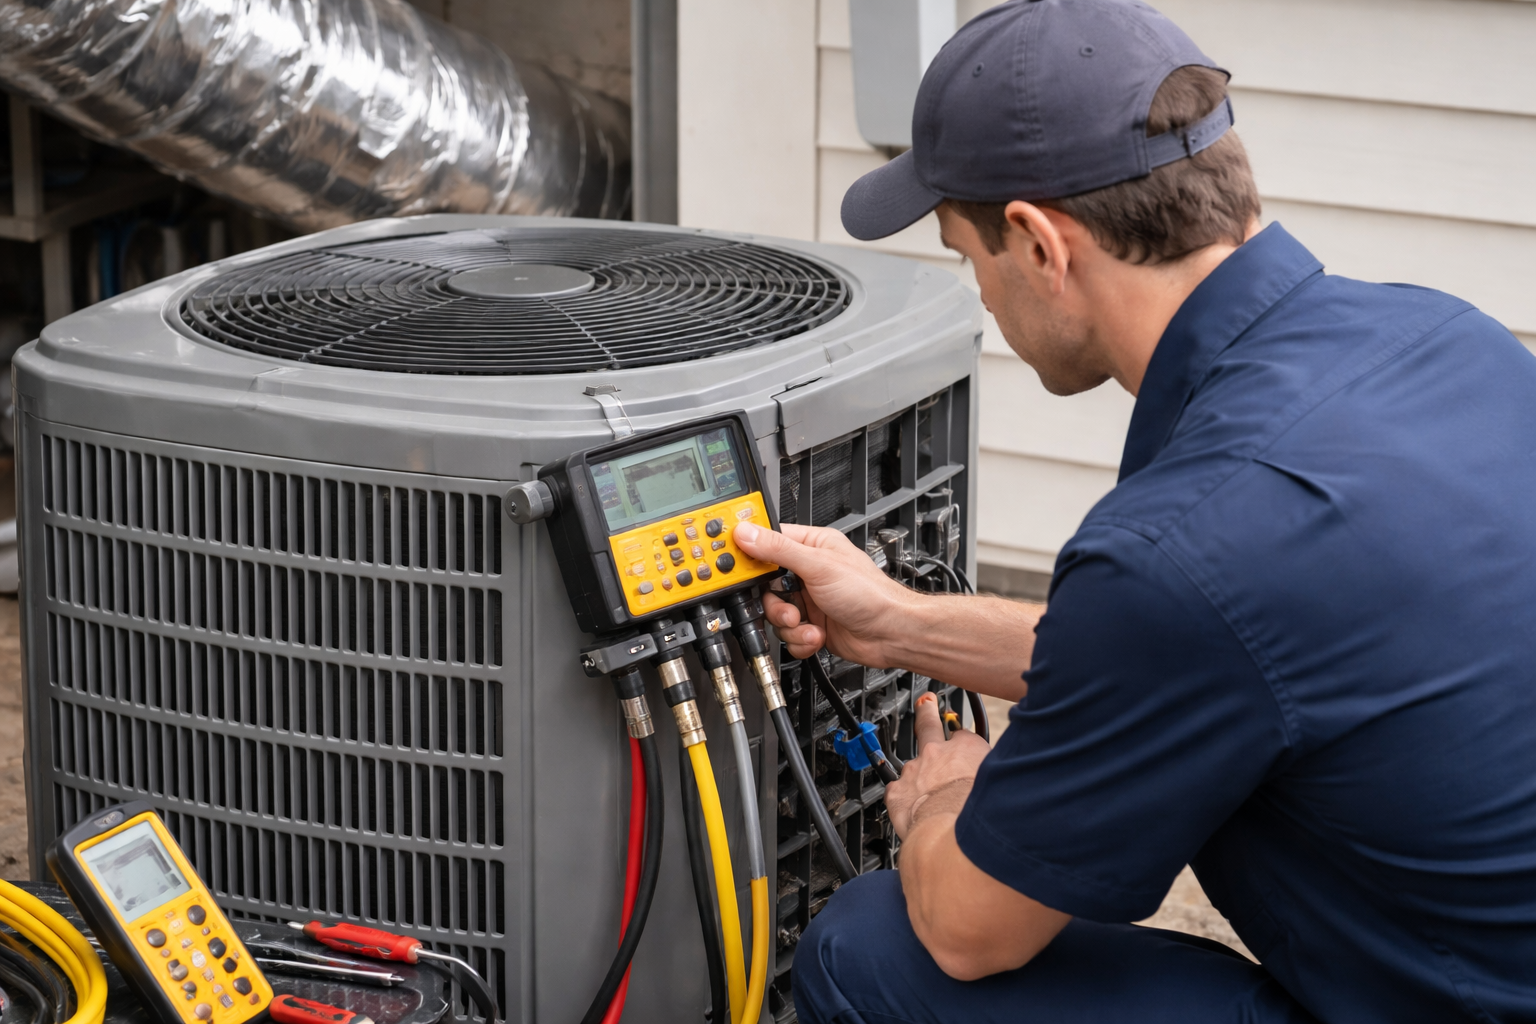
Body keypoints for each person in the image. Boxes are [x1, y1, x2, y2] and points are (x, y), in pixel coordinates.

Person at [728, 1, 1536, 1021]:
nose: (981, 295)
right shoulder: (1448, 339)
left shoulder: (1185, 545)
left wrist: (945, 806)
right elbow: (1220, 650)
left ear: (1037, 243)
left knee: (869, 948)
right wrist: (895, 622)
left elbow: (968, 931)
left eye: (965, 254)